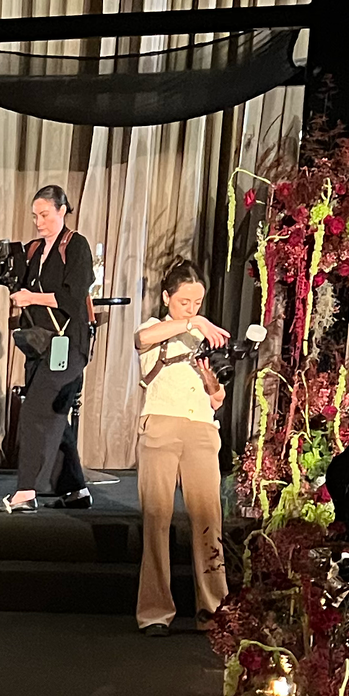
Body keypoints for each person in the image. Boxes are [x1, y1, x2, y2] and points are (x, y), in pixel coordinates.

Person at [0, 186, 96, 512]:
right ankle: (75, 490)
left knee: (34, 410)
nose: (38, 221)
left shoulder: (77, 246)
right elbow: (5, 273)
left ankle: (26, 492)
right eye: (35, 215)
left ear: (62, 210)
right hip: (41, 344)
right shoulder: (33, 250)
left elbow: (73, 298)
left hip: (69, 345)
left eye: (44, 214)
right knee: (56, 413)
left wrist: (33, 298)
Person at [133, 261, 230, 635]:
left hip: (202, 429)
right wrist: (192, 324)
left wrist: (211, 380)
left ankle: (214, 609)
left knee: (208, 517)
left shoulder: (206, 335)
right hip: (161, 425)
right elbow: (143, 342)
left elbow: (218, 399)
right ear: (166, 297)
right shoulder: (154, 328)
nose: (192, 308)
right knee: (157, 519)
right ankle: (155, 611)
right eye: (184, 301)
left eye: (197, 302)